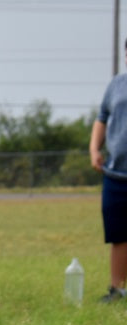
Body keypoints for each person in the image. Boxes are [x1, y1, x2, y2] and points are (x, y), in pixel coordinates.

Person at [89, 39, 127, 303]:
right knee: (118, 236)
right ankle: (117, 289)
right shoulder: (116, 85)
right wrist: (94, 149)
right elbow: (102, 118)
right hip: (116, 174)